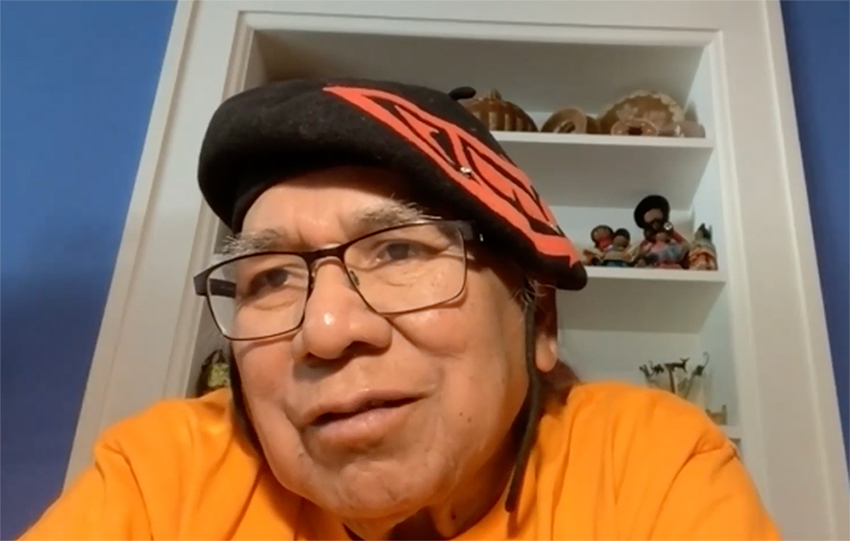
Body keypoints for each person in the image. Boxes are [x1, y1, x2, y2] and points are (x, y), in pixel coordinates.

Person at [20, 78, 780, 540]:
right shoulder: (163, 478)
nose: (326, 329)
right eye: (270, 277)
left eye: (401, 252)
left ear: (539, 319)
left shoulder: (649, 468)